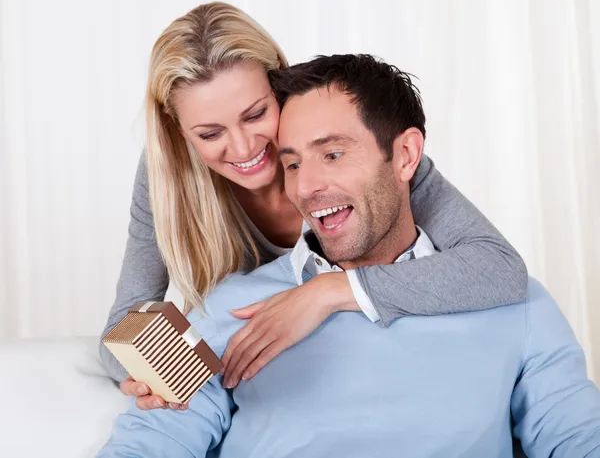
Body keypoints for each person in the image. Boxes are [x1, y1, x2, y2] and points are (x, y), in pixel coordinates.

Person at [98, 54, 600, 458]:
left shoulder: (511, 299)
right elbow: (151, 442)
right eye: (290, 163)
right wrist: (146, 378)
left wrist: (331, 293)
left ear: (405, 157)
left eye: (333, 154)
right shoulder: (231, 306)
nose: (308, 186)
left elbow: (579, 437)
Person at [100, 2, 528, 410]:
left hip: (392, 356)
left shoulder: (362, 152)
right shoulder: (168, 174)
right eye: (210, 134)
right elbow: (124, 323)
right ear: (180, 133)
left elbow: (497, 266)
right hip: (285, 381)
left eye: (255, 115)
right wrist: (163, 373)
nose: (244, 146)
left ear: (279, 87)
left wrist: (326, 292)